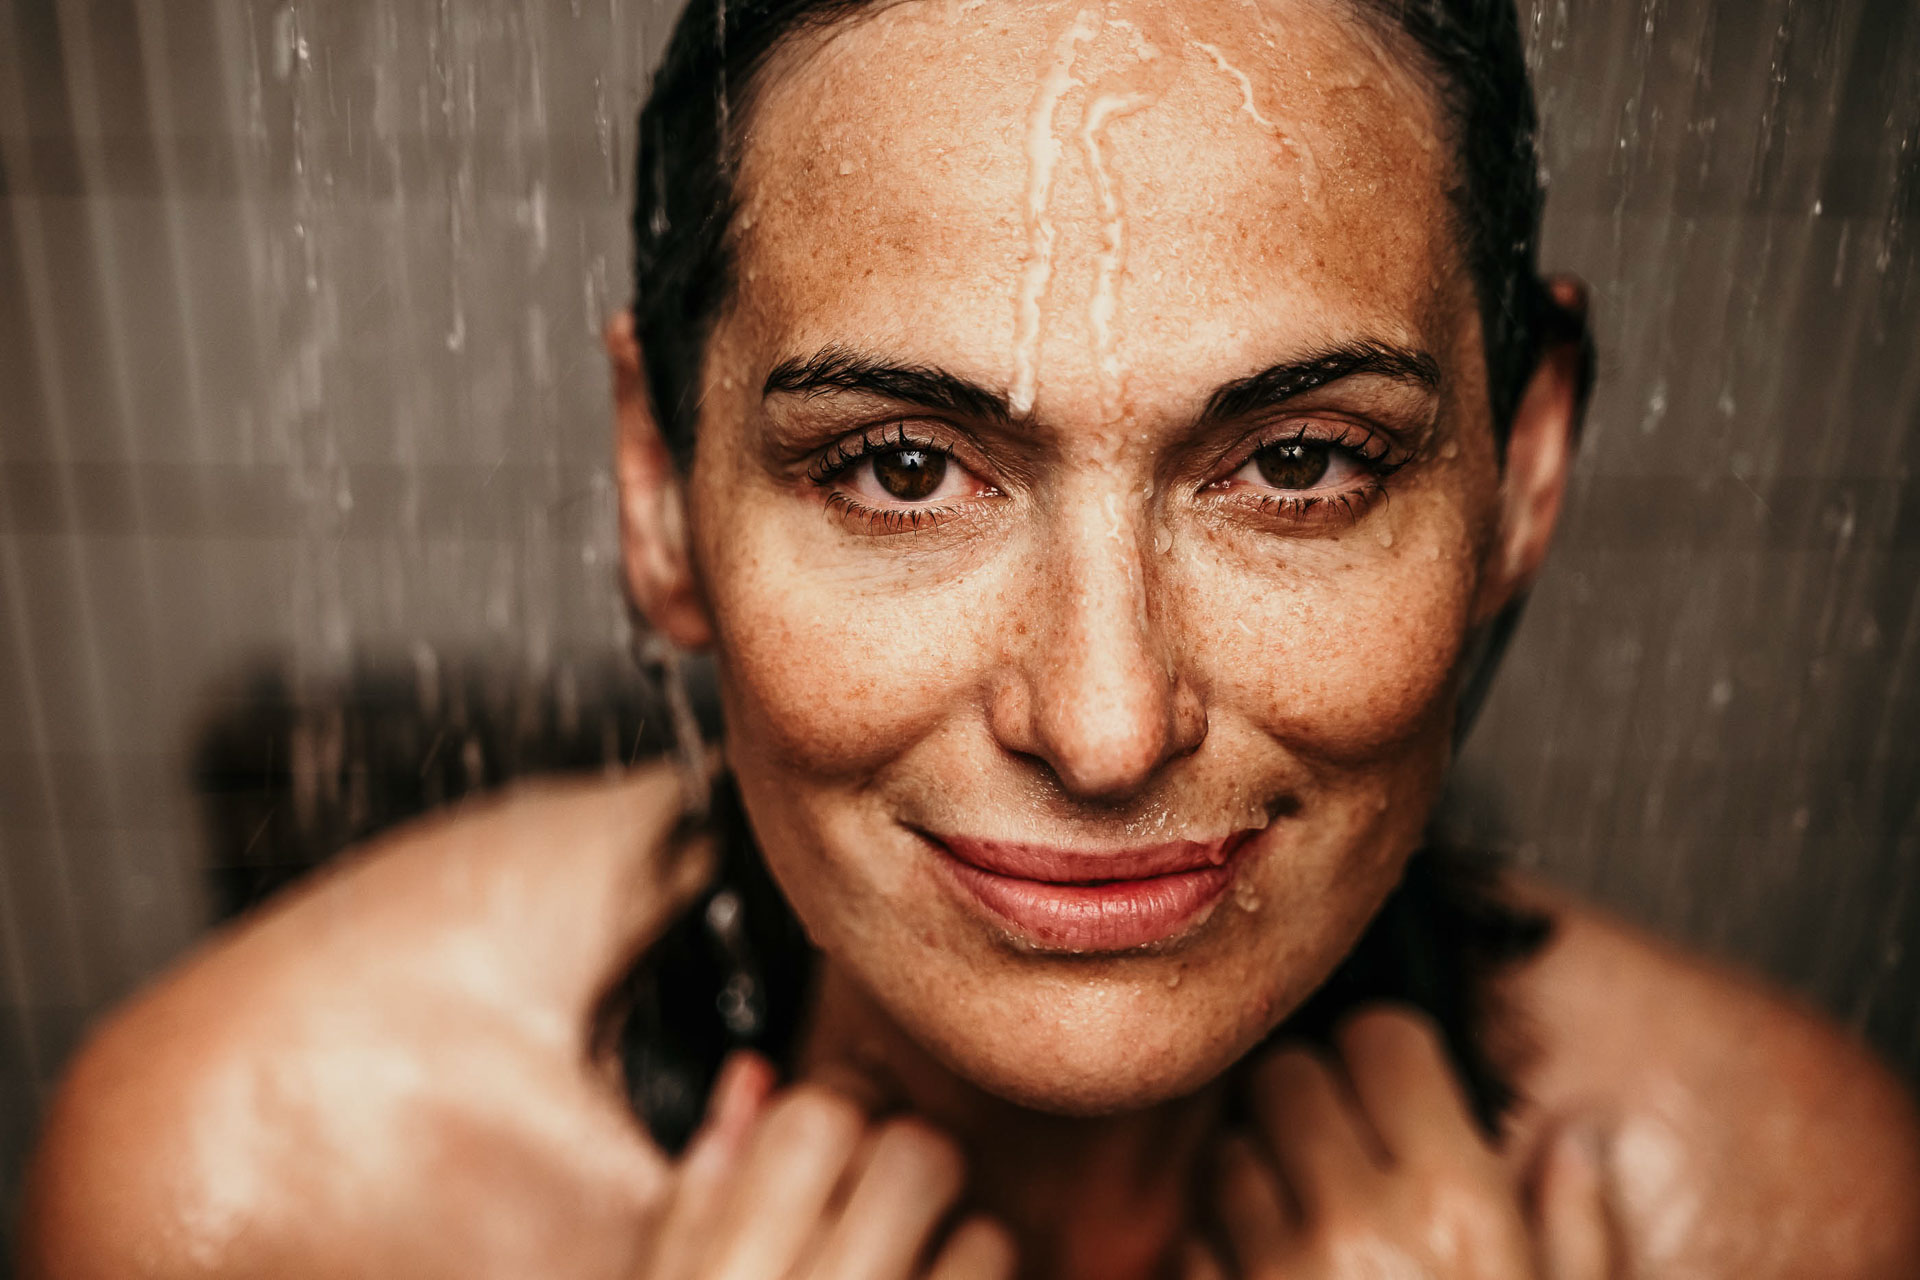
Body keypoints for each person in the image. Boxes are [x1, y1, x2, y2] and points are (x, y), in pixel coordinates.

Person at [20, 0, 1920, 1276]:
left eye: (1303, 464)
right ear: (657, 494)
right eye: (907, 467)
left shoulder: (1783, 1208)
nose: (1103, 724)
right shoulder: (259, 1196)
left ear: (1520, 475)